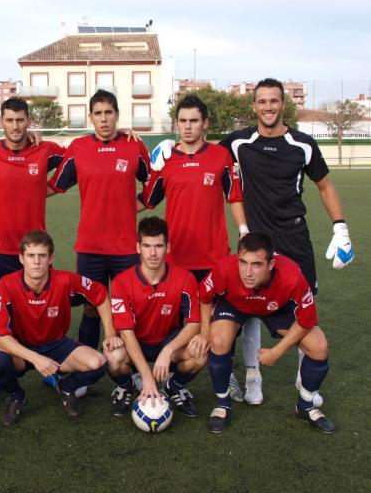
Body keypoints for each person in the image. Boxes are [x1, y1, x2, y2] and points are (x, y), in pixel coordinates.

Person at [150, 78, 354, 406]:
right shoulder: (240, 141)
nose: (268, 107)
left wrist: (340, 228)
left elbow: (326, 185)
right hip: (256, 241)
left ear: (282, 104)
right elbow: (204, 146)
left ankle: (305, 382)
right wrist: (170, 147)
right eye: (262, 101)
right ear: (254, 106)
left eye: (274, 101)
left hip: (294, 236)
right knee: (250, 308)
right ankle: (252, 375)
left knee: (305, 308)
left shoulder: (302, 144)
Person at [141, 93, 249, 402]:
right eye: (183, 121)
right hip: (175, 260)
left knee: (222, 322)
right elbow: (148, 201)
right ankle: (171, 375)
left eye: (194, 121)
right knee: (176, 322)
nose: (187, 127)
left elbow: (235, 196)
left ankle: (226, 374)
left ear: (205, 124)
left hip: (214, 257)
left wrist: (244, 231)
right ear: (177, 123)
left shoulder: (220, 157)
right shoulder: (166, 160)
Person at [0, 96, 65, 393]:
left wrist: (47, 190)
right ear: (2, 122)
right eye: (9, 120)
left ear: (28, 121)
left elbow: (78, 160)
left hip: (36, 250)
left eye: (20, 120)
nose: (15, 126)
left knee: (41, 308)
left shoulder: (45, 150)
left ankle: (47, 364)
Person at [48, 89, 151, 355]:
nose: (104, 119)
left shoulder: (134, 146)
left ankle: (130, 364)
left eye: (108, 113)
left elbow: (153, 185)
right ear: (90, 117)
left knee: (128, 304)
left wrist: (131, 209)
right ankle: (88, 363)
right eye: (98, 114)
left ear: (117, 115)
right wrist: (14, 184)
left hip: (126, 246)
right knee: (91, 304)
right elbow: (55, 185)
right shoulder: (78, 148)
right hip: (90, 245)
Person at [200, 232, 334, 434]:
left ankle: (305, 406)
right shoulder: (225, 268)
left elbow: (306, 321)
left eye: (256, 264)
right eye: (243, 262)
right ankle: (222, 404)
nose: (247, 272)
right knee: (218, 340)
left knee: (319, 346)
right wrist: (204, 331)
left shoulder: (292, 275)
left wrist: (276, 352)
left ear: (271, 264)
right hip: (235, 304)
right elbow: (204, 295)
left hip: (276, 308)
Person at [0, 230, 121, 425]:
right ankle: (17, 396)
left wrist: (110, 333)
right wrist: (36, 358)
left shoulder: (65, 280)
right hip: (22, 349)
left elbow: (100, 294)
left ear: (51, 259)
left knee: (99, 362)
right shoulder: (7, 284)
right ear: (21, 258)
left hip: (56, 346)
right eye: (31, 256)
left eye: (42, 256)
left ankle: (67, 387)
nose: (37, 261)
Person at [106, 217, 206, 419]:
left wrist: (168, 351)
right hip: (138, 342)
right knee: (113, 357)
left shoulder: (185, 278)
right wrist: (146, 376)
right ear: (138, 247)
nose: (152, 253)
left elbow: (194, 323)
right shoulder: (121, 283)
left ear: (168, 247)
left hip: (168, 339)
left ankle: (173, 386)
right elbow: (126, 333)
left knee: (200, 354)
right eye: (147, 246)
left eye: (159, 246)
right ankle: (127, 387)